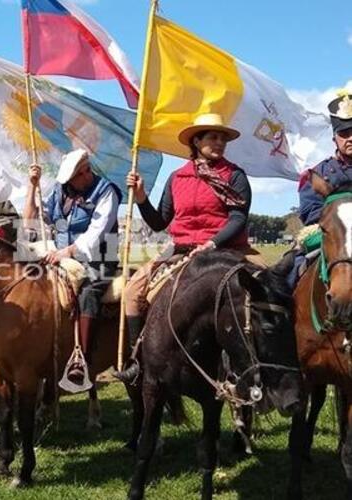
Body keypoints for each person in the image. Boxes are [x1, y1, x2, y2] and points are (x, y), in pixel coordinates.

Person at [115, 113, 260, 384]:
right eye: (213, 137)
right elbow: (159, 221)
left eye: (223, 138)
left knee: (269, 289)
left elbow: (238, 218)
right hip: (179, 247)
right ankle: (137, 360)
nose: (219, 143)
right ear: (196, 140)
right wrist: (142, 197)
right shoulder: (177, 177)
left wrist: (211, 243)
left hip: (223, 248)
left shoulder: (235, 175)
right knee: (133, 290)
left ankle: (267, 364)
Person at [22, 148, 121, 388]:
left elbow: (97, 232)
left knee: (88, 292)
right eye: (82, 173)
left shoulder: (106, 191)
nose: (88, 175)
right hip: (62, 257)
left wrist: (65, 253)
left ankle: (82, 360)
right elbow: (31, 221)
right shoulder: (58, 193)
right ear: (69, 180)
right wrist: (32, 187)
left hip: (99, 259)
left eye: (88, 169)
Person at [287, 91, 352, 287]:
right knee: (290, 271)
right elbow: (310, 213)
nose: (350, 138)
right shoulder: (316, 173)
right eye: (344, 134)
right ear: (335, 139)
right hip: (331, 233)